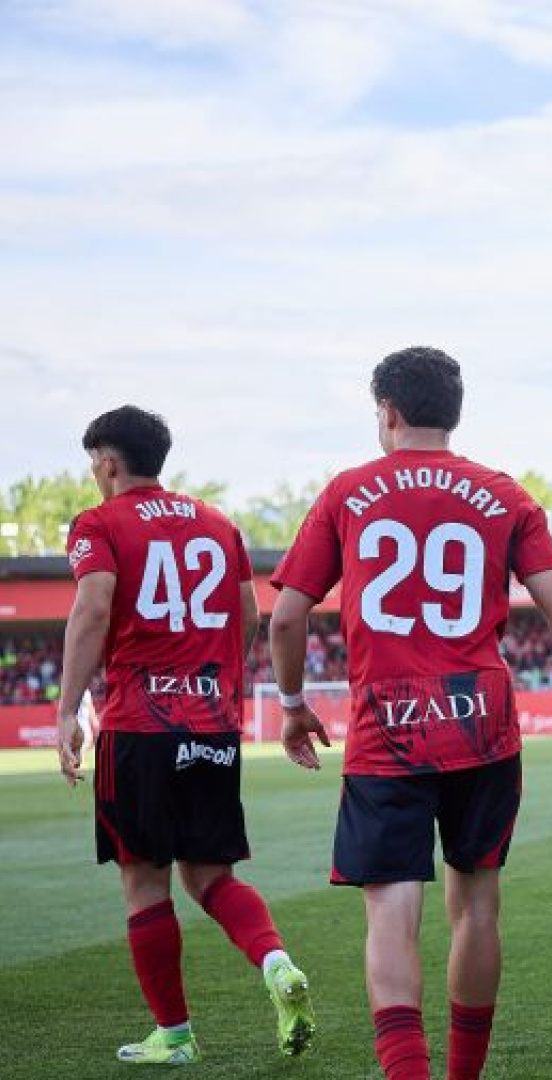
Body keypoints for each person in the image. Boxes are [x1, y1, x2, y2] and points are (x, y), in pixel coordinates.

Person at [271, 347, 552, 1080]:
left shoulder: (347, 492)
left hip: (388, 731)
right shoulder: (506, 494)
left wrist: (292, 703)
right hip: (482, 724)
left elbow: (285, 618)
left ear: (390, 413)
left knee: (391, 914)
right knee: (476, 908)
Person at [57, 405, 316, 1067]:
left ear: (109, 462)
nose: (94, 474)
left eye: (94, 463)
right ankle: (277, 962)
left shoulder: (99, 523)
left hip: (141, 727)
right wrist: (211, 677)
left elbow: (92, 608)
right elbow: (250, 613)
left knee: (146, 884)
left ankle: (174, 1036)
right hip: (211, 725)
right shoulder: (216, 522)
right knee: (211, 876)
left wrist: (67, 711)